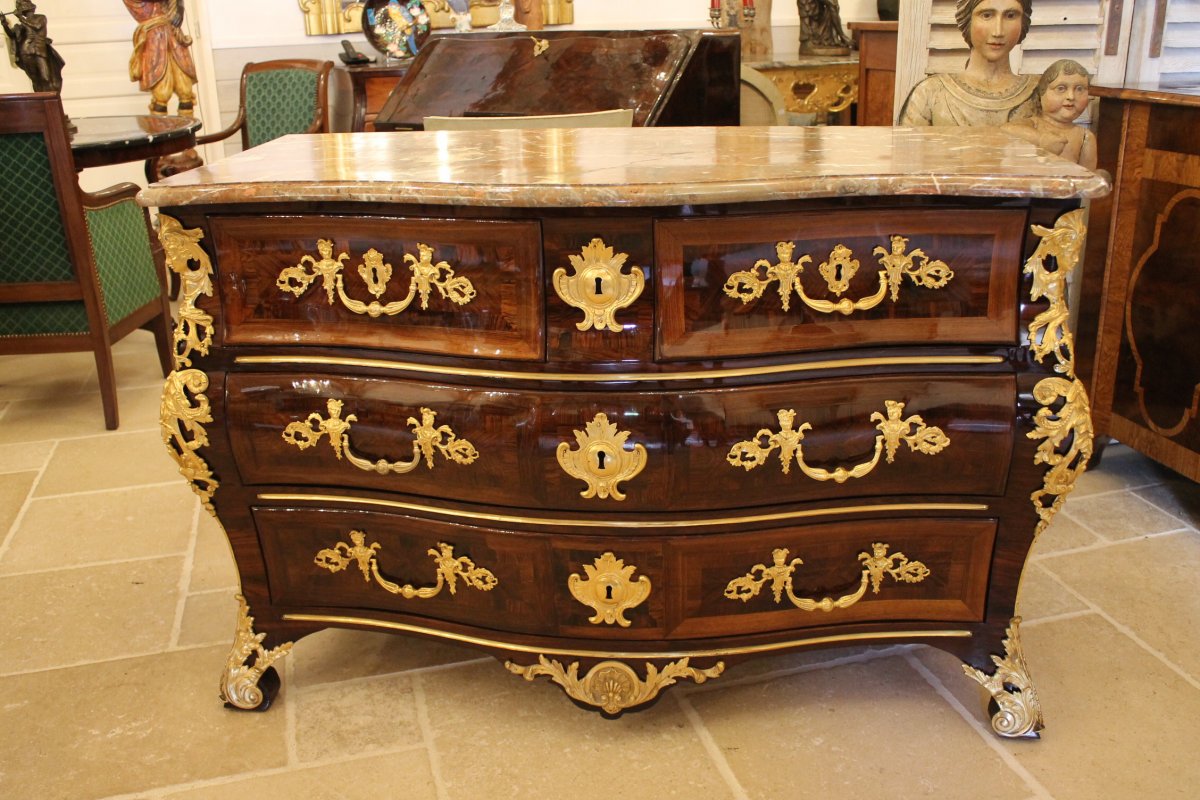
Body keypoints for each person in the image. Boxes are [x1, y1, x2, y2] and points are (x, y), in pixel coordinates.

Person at [898, 0, 1037, 127]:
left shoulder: (1042, 94)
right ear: (967, 20)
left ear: (1023, 22)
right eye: (987, 15)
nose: (998, 31)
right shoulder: (929, 93)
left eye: (1011, 15)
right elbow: (910, 152)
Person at [1002, 59, 1097, 170]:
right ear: (1041, 93)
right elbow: (1006, 129)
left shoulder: (1085, 137)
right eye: (1061, 88)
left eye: (1079, 89)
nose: (1071, 96)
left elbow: (1088, 177)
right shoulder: (1034, 124)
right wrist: (1040, 139)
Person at [123, 0, 198, 116]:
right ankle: (161, 128)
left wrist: (179, 8)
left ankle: (187, 132)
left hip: (172, 34)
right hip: (154, 39)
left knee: (185, 89)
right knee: (161, 93)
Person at [1, 0, 65, 94]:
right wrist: (4, 23)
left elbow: (37, 26)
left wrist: (20, 18)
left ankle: (50, 98)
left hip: (39, 52)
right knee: (34, 79)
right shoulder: (21, 25)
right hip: (26, 51)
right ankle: (40, 97)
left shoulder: (40, 18)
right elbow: (12, 34)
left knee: (45, 77)